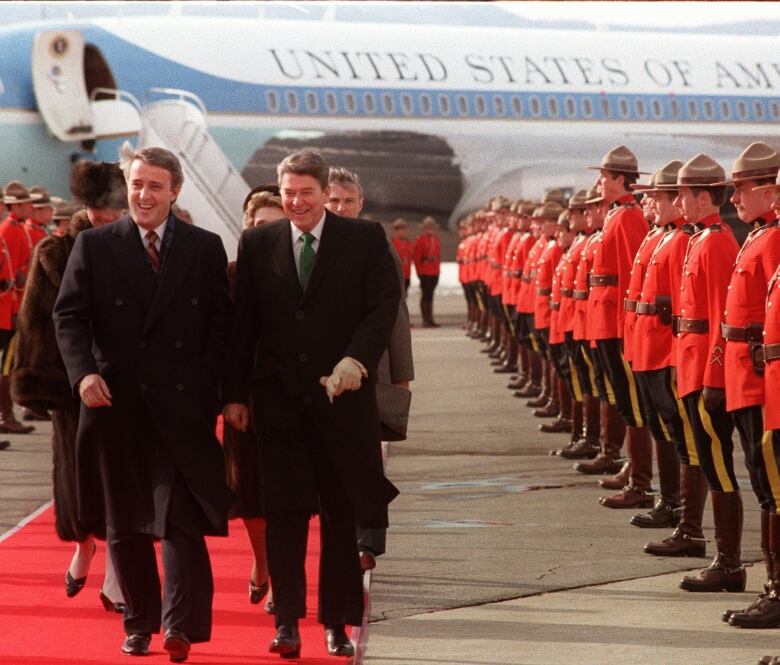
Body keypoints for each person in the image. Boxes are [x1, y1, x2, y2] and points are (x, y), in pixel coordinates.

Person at [53, 146, 234, 661]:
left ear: (175, 191)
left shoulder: (204, 248)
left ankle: (178, 625)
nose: (143, 194)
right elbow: (69, 317)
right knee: (127, 522)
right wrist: (82, 372)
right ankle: (138, 623)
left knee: (179, 517)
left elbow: (220, 328)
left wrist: (206, 389)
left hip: (181, 409)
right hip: (116, 405)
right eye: (136, 184)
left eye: (155, 185)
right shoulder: (94, 245)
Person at [223, 149, 400, 659]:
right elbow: (244, 327)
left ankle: (337, 624)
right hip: (279, 403)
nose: (296, 202)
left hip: (341, 401)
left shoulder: (363, 239)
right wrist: (235, 394)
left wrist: (356, 361)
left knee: (340, 516)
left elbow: (381, 308)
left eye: (306, 192)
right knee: (284, 514)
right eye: (288, 193)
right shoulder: (259, 242)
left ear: (326, 193)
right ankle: (287, 622)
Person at [12, 161, 128, 612]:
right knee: (77, 478)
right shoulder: (53, 252)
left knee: (125, 482)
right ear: (85, 205)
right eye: (99, 207)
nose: (107, 216)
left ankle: (119, 577)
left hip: (127, 383)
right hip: (73, 385)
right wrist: (36, 380)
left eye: (113, 207)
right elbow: (35, 320)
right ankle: (83, 544)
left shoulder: (140, 245)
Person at [326, 166, 414, 572]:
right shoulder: (312, 244)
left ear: (361, 204)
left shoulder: (377, 246)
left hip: (370, 370)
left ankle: (368, 542)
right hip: (322, 372)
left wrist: (400, 378)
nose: (340, 208)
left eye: (347, 201)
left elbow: (396, 314)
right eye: (333, 201)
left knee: (366, 460)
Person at [667, 154, 744, 594]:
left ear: (702, 197)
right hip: (691, 364)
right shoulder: (701, 239)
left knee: (718, 463)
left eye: (683, 195)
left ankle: (729, 562)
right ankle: (723, 559)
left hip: (705, 371)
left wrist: (715, 378)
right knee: (710, 464)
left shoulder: (716, 242)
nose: (678, 202)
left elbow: (720, 316)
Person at [714, 143, 780, 627]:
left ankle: (775, 590)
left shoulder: (772, 239)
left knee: (772, 488)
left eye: (741, 189)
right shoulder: (759, 236)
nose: (733, 198)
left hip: (762, 380)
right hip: (749, 374)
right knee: (764, 485)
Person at [225, 188, 284, 610]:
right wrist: (230, 397)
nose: (267, 232)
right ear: (248, 229)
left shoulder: (299, 275)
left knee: (283, 495)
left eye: (276, 226)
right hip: (243, 401)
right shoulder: (229, 276)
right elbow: (221, 343)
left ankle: (282, 579)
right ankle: (261, 560)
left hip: (287, 399)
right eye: (261, 225)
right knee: (248, 497)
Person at [0, 181, 36, 435]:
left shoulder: (10, 230)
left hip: (10, 308)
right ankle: (5, 415)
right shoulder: (9, 231)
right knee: (7, 366)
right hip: (6, 310)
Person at [413, 215, 442, 327]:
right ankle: (425, 319)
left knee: (430, 295)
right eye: (428, 226)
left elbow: (438, 256)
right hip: (425, 271)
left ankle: (430, 318)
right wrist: (419, 272)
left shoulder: (435, 239)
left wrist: (438, 270)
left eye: (431, 226)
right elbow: (416, 257)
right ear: (424, 227)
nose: (430, 228)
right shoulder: (420, 240)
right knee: (425, 294)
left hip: (434, 271)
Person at [391, 218, 413, 295]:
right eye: (400, 229)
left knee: (404, 297)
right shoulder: (392, 244)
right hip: (396, 276)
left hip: (406, 275)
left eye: (404, 229)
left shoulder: (408, 243)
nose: (403, 231)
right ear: (396, 230)